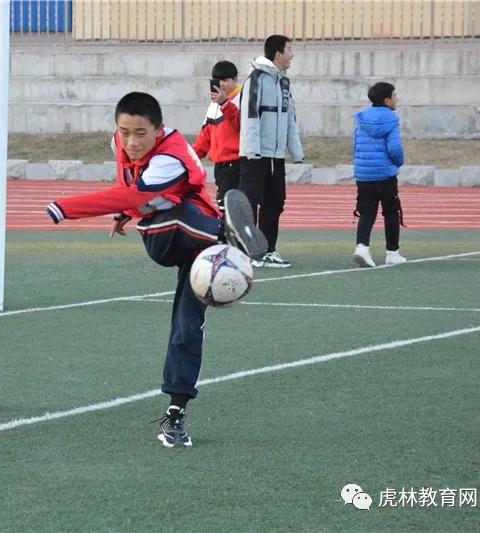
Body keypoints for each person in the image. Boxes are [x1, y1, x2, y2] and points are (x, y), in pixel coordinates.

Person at [45, 92, 267, 447]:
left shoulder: (172, 158)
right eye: (124, 132)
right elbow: (130, 191)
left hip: (196, 240)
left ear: (159, 130)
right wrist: (123, 214)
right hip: (163, 238)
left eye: (141, 133)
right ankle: (227, 234)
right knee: (169, 217)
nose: (131, 142)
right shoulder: (120, 143)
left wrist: (66, 208)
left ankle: (176, 413)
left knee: (187, 325)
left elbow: (136, 196)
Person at [239, 34, 304, 268]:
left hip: (276, 156)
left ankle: (267, 250)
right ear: (278, 54)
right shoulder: (255, 79)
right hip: (255, 155)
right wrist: (253, 151)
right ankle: (246, 252)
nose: (292, 55)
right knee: (249, 202)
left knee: (275, 202)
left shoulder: (284, 82)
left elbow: (290, 119)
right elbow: (250, 116)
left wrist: (296, 152)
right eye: (289, 50)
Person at [352, 82, 407, 267]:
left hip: (364, 175)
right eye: (394, 95)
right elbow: (395, 148)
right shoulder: (391, 120)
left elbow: (355, 146)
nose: (396, 99)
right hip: (385, 174)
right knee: (391, 212)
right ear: (387, 100)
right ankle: (392, 252)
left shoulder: (361, 118)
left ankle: (362, 247)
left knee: (367, 212)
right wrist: (399, 162)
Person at [193, 60, 242, 212]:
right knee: (224, 209)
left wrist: (225, 104)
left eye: (226, 80)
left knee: (233, 211)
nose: (221, 84)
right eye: (217, 80)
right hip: (221, 166)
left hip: (238, 163)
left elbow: (243, 127)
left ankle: (235, 236)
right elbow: (205, 137)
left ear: (235, 79)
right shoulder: (214, 105)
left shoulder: (242, 98)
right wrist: (188, 157)